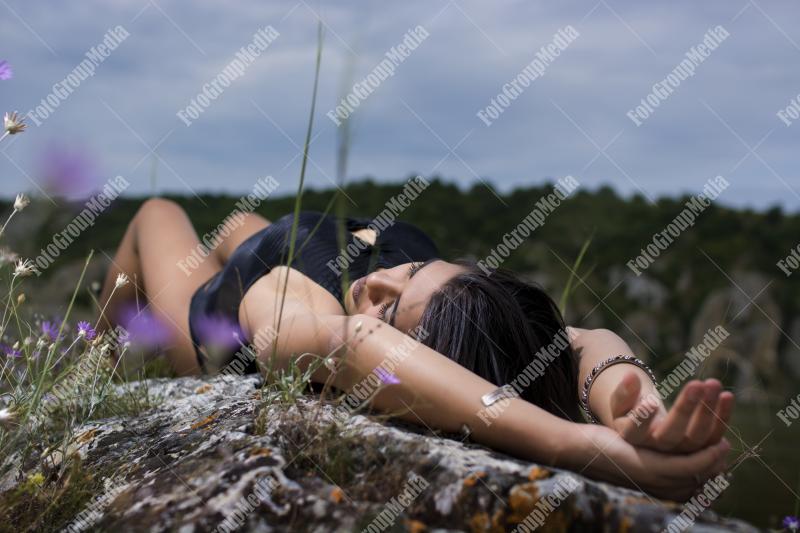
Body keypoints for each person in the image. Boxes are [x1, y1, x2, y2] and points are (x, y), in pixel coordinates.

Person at [97, 198, 734, 501]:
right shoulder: (465, 309)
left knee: (155, 213)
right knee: (239, 223)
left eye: (390, 307)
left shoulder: (299, 308)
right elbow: (579, 340)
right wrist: (630, 405)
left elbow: (348, 343)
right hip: (294, 236)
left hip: (213, 312)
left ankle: (88, 371)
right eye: (415, 269)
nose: (375, 282)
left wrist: (581, 445)